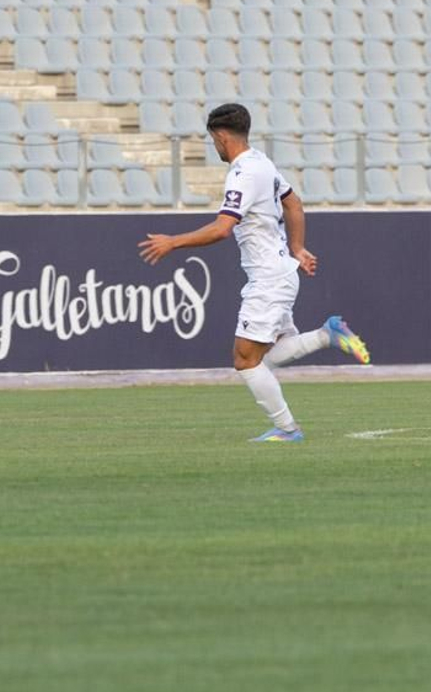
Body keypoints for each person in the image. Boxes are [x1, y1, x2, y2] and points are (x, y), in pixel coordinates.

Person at [138, 103, 369, 443]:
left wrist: (173, 242)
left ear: (220, 136)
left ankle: (288, 429)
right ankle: (327, 334)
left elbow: (221, 229)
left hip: (269, 278)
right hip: (279, 272)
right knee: (268, 355)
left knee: (245, 360)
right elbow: (293, 203)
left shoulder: (243, 173)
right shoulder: (263, 162)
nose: (215, 147)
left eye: (213, 141)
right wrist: (297, 248)